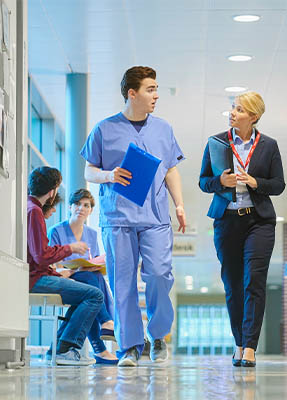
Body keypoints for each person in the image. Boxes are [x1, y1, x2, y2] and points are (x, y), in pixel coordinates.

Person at [81, 66, 186, 367]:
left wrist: (178, 204)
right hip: (117, 217)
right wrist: (108, 174)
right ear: (132, 93)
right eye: (150, 89)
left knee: (159, 275)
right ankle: (130, 347)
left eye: (156, 89)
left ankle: (158, 336)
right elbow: (88, 170)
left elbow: (170, 168)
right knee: (122, 282)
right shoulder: (104, 129)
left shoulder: (163, 129)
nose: (156, 95)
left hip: (155, 216)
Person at [199, 91, 285, 367]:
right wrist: (220, 181)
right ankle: (239, 342)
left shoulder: (269, 145)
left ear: (254, 117)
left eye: (238, 109)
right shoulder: (216, 142)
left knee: (254, 282)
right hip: (227, 221)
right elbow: (203, 181)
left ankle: (250, 346)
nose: (232, 113)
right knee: (233, 285)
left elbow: (279, 184)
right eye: (232, 108)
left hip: (259, 221)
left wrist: (255, 181)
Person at [27, 166, 104, 366]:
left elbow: (36, 257)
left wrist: (55, 272)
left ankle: (58, 349)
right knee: (94, 295)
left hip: (37, 275)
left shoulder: (29, 208)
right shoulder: (35, 212)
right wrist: (70, 248)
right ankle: (67, 349)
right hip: (35, 279)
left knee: (88, 292)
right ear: (52, 192)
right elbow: (41, 255)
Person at [48, 188, 118, 364]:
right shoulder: (56, 230)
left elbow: (92, 259)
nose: (81, 208)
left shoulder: (92, 234)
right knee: (93, 287)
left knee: (93, 283)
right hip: (64, 278)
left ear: (91, 210)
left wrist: (96, 265)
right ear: (70, 207)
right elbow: (52, 262)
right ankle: (104, 331)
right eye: (77, 204)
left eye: (86, 205)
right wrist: (68, 270)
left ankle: (56, 349)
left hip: (85, 277)